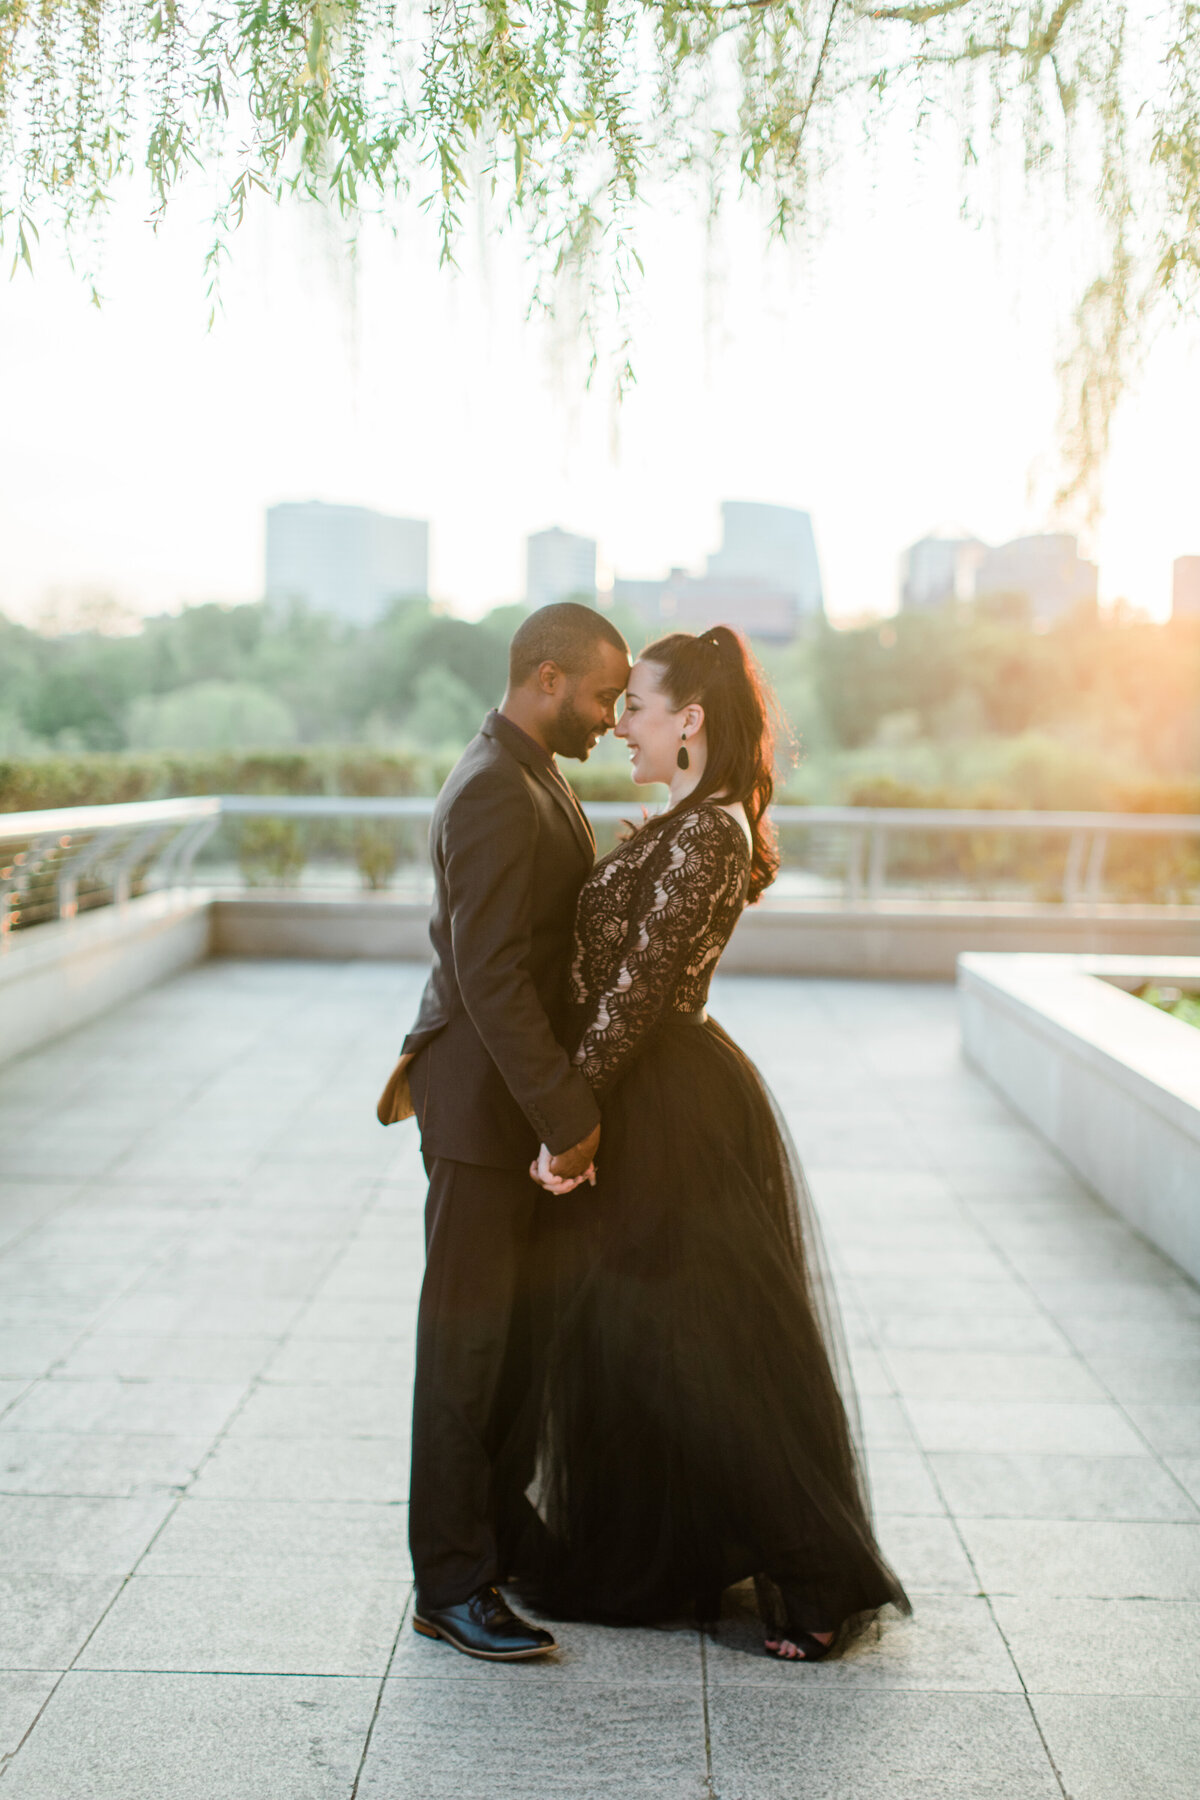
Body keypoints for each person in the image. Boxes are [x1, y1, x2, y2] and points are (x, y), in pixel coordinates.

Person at [523, 625, 909, 1660]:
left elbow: (636, 996)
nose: (620, 726)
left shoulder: (706, 832)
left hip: (670, 1107)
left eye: (637, 709)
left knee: (702, 1347)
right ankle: (673, 1551)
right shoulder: (696, 819)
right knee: (654, 1340)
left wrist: (568, 1125)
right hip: (665, 1093)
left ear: (689, 718)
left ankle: (817, 1577)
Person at [401, 602, 631, 1662]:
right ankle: (449, 1586)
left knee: (507, 1348)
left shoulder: (523, 769)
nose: (609, 716)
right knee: (465, 1351)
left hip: (505, 1114)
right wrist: (568, 1117)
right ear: (546, 678)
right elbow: (491, 977)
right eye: (600, 695)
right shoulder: (496, 786)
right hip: (483, 1116)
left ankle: (492, 1542)